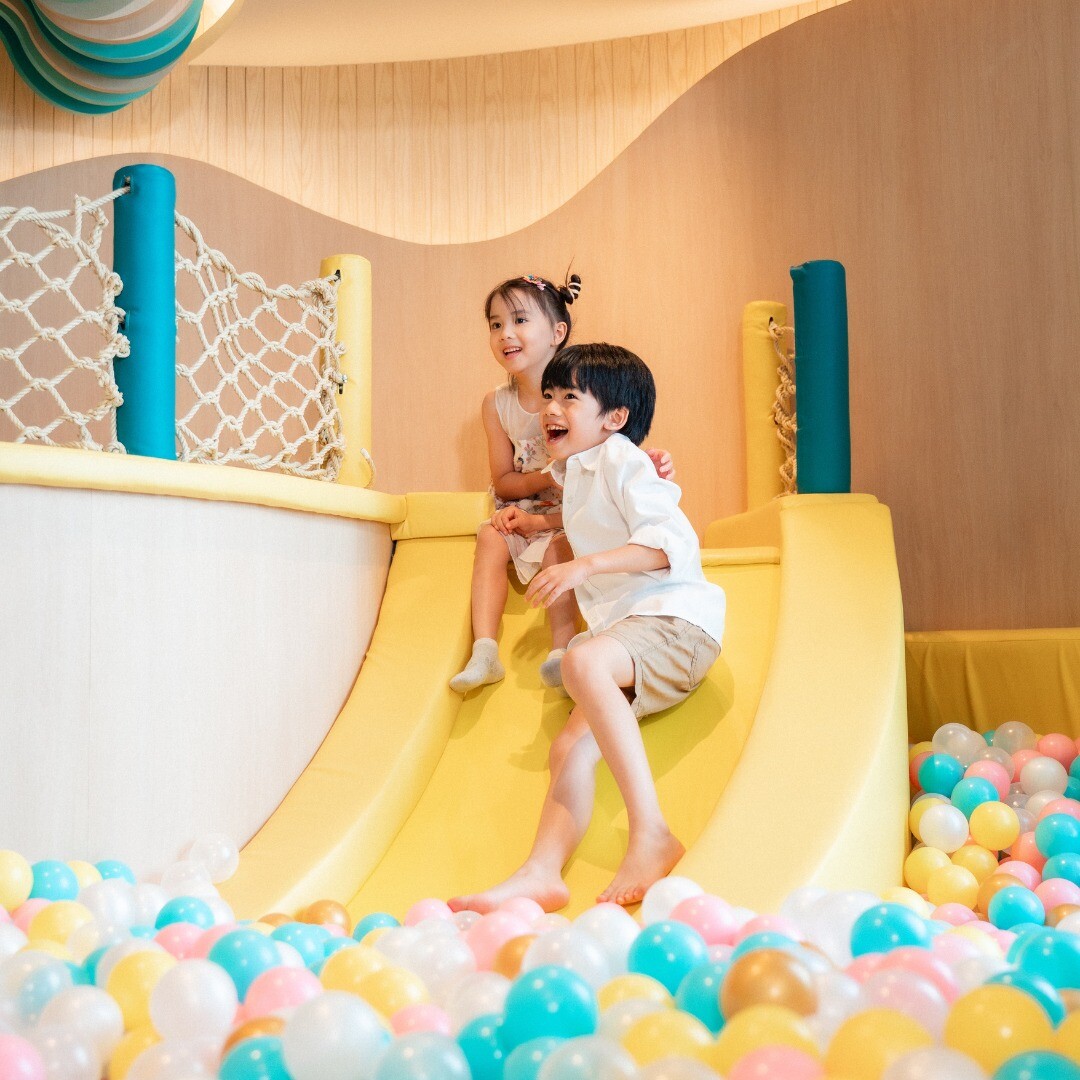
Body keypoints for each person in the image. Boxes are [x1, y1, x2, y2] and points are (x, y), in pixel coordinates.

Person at [449, 342, 725, 911]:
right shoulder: (575, 472)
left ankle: (652, 833)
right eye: (549, 395)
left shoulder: (624, 460)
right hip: (633, 634)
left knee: (582, 660)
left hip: (675, 624)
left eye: (570, 397)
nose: (551, 408)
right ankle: (541, 872)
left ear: (615, 418)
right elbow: (590, 516)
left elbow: (669, 545)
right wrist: (537, 523)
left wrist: (584, 566)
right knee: (568, 749)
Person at [449, 275, 673, 694]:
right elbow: (504, 481)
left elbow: (613, 454)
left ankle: (561, 649)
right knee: (489, 535)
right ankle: (484, 650)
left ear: (558, 332)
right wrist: (555, 474)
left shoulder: (585, 394)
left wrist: (649, 463)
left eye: (519, 320)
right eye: (495, 324)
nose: (505, 333)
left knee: (561, 546)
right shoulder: (497, 404)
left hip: (574, 516)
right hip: (526, 510)